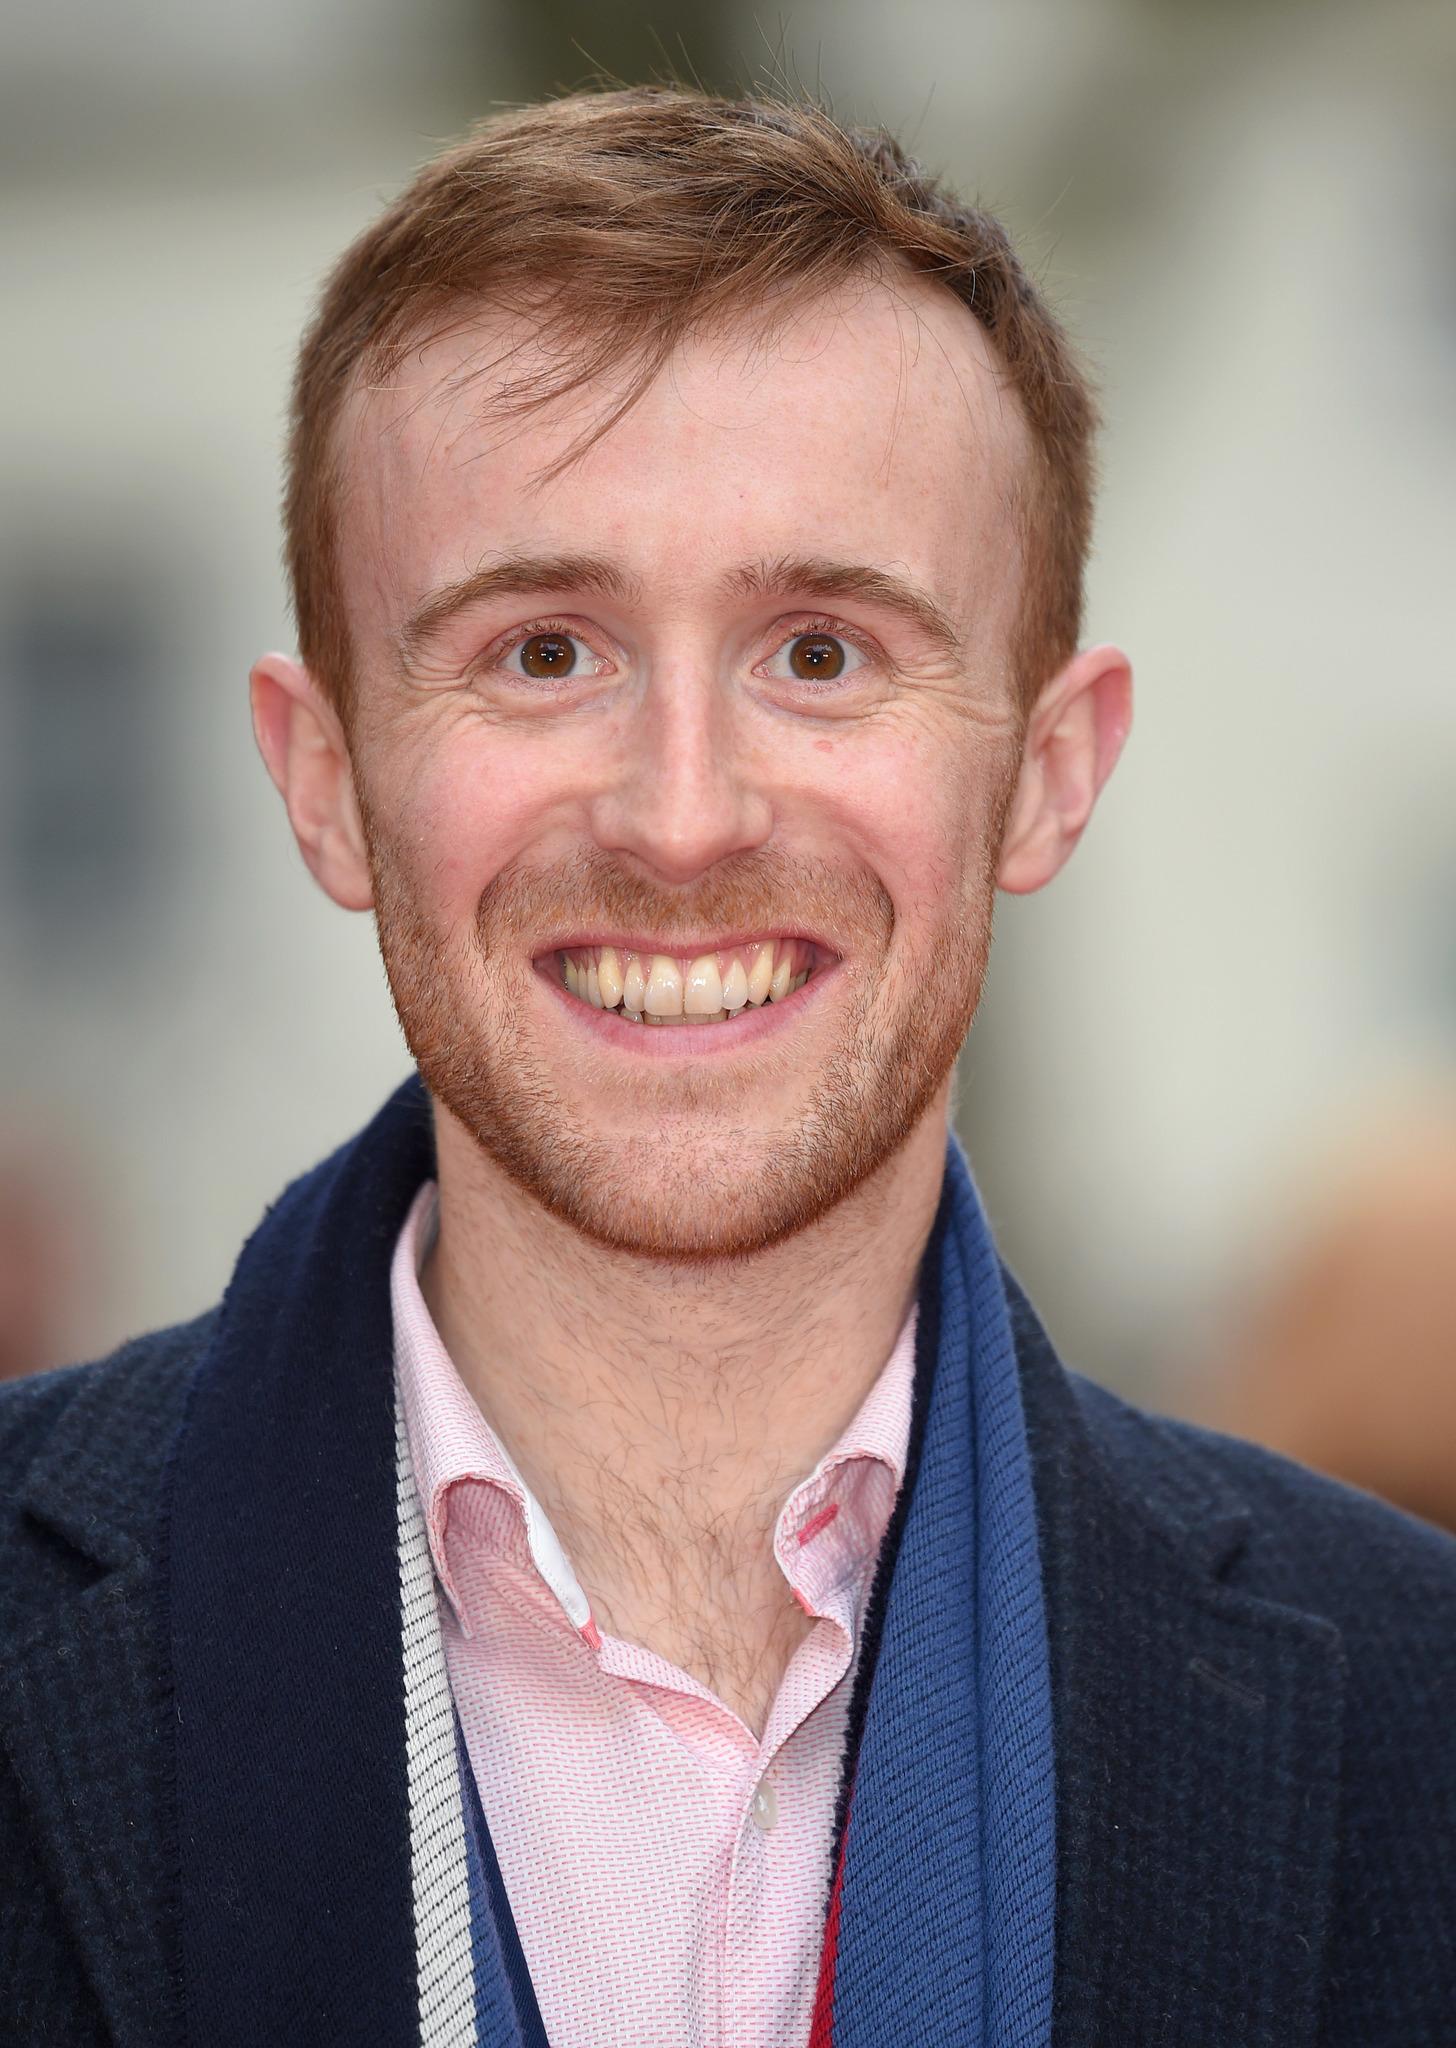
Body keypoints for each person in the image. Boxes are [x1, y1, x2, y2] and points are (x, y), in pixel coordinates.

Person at [2, 87, 1452, 2048]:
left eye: (820, 653)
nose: (680, 820)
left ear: (1048, 771)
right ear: (324, 778)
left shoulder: (1415, 1717)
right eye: (542, 652)